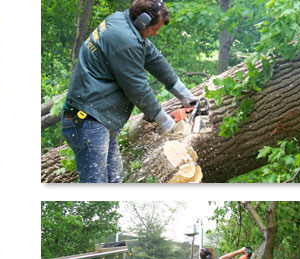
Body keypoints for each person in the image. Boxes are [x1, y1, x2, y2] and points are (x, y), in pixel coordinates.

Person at [61, 0, 198, 183]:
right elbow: (138, 90)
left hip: (100, 119)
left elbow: (154, 59)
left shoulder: (123, 22)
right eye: (154, 29)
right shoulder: (124, 41)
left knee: (115, 179)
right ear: (142, 21)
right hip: (87, 120)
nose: (155, 33)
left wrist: (185, 95)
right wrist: (168, 124)